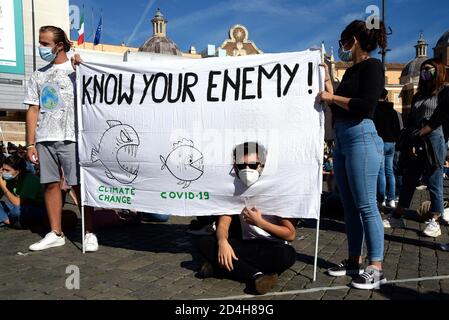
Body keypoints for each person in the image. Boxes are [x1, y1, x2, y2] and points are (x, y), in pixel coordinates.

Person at [317, 20, 387, 289]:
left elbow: (364, 105)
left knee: (367, 205)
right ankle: (353, 259)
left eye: (344, 41)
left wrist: (331, 98)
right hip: (343, 139)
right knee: (348, 205)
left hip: (362, 136)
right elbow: (336, 99)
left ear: (354, 40)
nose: (343, 46)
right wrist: (327, 77)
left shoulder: (373, 67)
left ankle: (376, 266)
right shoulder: (350, 71)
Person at [24, 26, 97, 252]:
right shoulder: (38, 75)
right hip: (45, 138)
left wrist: (84, 67)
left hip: (72, 137)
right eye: (40, 42)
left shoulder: (78, 68)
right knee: (50, 184)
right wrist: (30, 143)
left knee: (78, 185)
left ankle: (89, 231)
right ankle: (56, 232)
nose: (41, 47)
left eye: (45, 43)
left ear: (59, 45)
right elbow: (33, 109)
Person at [197, 142, 297, 295]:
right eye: (242, 166)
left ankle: (221, 268)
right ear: (235, 167)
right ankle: (256, 275)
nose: (247, 170)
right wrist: (223, 241)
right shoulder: (232, 188)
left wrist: (260, 223)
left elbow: (290, 234)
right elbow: (223, 225)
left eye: (252, 165)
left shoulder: (276, 190)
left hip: (271, 246)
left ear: (261, 165)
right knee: (207, 243)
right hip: (246, 244)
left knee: (287, 254)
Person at [383, 58, 449, 238]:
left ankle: (434, 220)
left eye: (429, 69)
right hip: (417, 137)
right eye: (423, 70)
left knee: (434, 177)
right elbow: (411, 119)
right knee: (410, 178)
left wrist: (421, 133)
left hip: (434, 137)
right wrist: (412, 141)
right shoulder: (418, 95)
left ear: (439, 70)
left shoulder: (444, 92)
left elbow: (440, 117)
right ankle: (398, 215)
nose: (424, 72)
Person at [0, 154, 46, 228]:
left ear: (18, 171)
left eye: (7, 170)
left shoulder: (30, 179)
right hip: (18, 207)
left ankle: (6, 220)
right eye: (3, 169)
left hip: (36, 208)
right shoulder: (9, 179)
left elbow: (18, 203)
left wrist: (3, 187)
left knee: (17, 211)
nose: (4, 172)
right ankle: (9, 221)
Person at [373, 88, 401, 208]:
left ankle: (381, 199)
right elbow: (397, 129)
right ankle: (391, 199)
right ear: (386, 97)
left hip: (380, 142)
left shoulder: (374, 110)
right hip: (392, 143)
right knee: (390, 171)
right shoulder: (393, 112)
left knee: (381, 172)